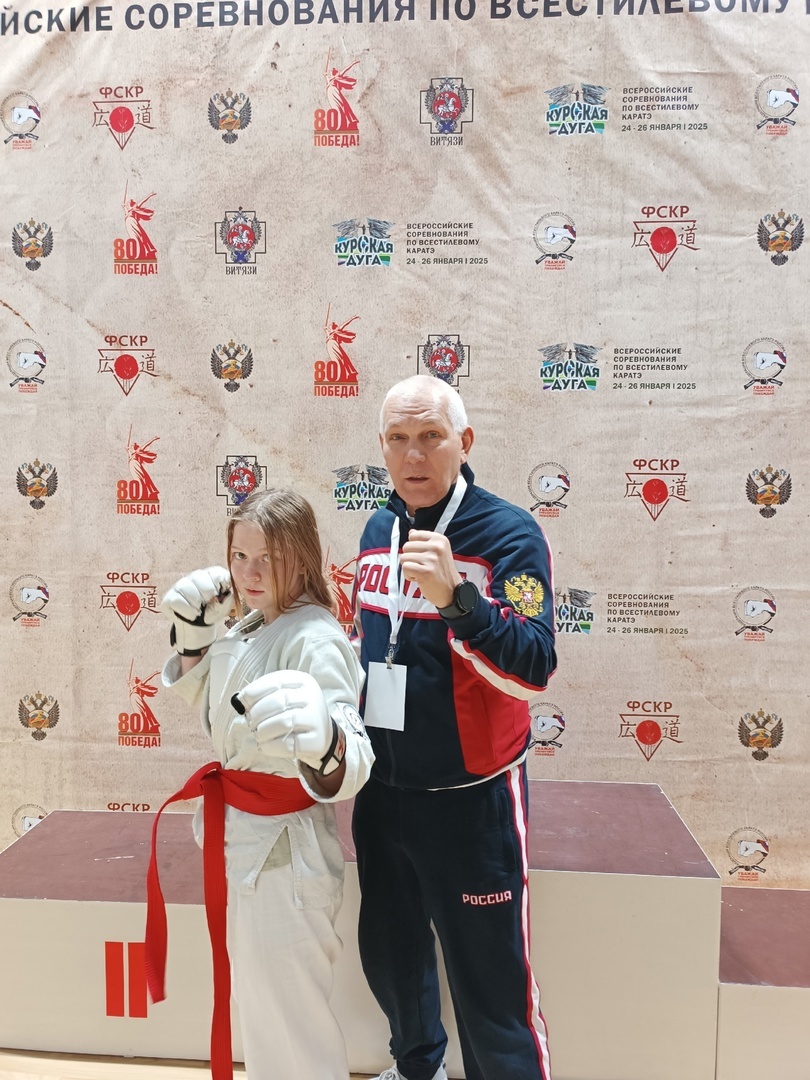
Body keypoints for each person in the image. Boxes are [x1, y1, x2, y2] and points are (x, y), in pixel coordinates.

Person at [352, 375, 557, 1080]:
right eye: (398, 439)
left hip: (473, 802)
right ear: (382, 447)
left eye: (431, 437)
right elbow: (373, 646)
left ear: (463, 442)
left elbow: (533, 668)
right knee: (393, 959)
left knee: (492, 993)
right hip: (383, 794)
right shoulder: (377, 529)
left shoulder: (508, 533)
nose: (414, 455)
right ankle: (419, 1072)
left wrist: (457, 600)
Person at [146, 488, 373, 1080]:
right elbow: (217, 709)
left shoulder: (315, 637)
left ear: (301, 556)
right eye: (240, 556)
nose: (249, 573)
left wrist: (327, 739)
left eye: (267, 558)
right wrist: (193, 641)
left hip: (285, 852)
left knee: (291, 1022)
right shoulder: (252, 623)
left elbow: (355, 753)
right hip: (246, 843)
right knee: (265, 1013)